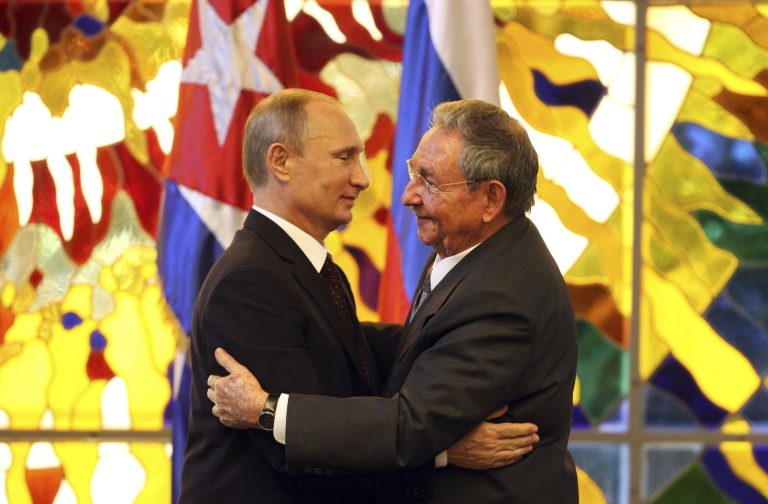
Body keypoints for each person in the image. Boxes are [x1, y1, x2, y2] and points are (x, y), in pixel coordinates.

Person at [208, 98, 579, 503]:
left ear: (490, 199)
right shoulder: (475, 250)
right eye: (414, 173)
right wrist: (444, 452)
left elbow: (411, 425)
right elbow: (425, 343)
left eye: (429, 182)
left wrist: (265, 410)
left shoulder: (500, 292)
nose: (407, 196)